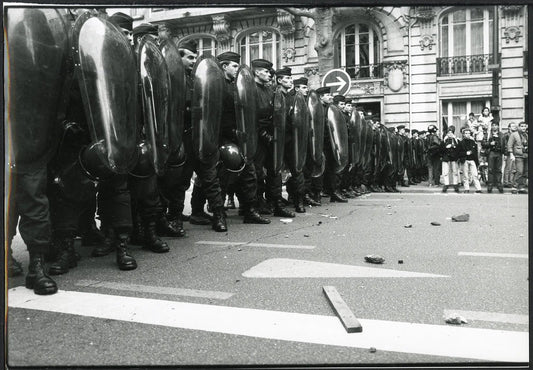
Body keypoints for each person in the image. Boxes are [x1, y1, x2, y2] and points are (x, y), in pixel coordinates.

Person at [216, 51, 270, 224]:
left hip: (243, 138)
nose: (237, 69)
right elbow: (216, 116)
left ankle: (249, 211)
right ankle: (219, 214)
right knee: (223, 178)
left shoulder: (236, 86)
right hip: (225, 138)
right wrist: (231, 132)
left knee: (249, 175)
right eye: (234, 66)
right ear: (224, 66)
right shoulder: (217, 86)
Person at [252, 59, 295, 217]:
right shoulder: (250, 89)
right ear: (257, 72)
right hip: (257, 137)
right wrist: (264, 135)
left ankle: (275, 202)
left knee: (275, 171)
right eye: (266, 71)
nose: (269, 74)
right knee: (256, 172)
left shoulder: (271, 91)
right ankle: (255, 204)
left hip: (273, 137)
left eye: (270, 72)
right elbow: (250, 116)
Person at [482, 120, 504, 193]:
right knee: (490, 169)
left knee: (499, 169)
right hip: (491, 153)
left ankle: (499, 184)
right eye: (493, 125)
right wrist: (490, 143)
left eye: (496, 125)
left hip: (499, 153)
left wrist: (505, 153)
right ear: (491, 126)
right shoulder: (488, 134)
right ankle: (490, 185)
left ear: (498, 126)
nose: (494, 126)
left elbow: (504, 144)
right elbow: (483, 143)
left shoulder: (501, 134)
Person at [458, 127, 482, 193]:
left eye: (469, 133)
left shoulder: (473, 142)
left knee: (475, 175)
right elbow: (458, 153)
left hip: (472, 160)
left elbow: (476, 152)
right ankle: (466, 188)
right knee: (465, 175)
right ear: (463, 134)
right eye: (466, 133)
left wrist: (477, 162)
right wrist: (466, 153)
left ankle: (478, 188)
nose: (467, 134)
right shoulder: (461, 143)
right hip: (465, 160)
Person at [507, 121, 528, 194]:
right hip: (518, 156)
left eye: (524, 126)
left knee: (525, 172)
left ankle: (521, 187)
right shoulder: (514, 134)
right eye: (522, 126)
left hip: (526, 155)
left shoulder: (526, 135)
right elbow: (509, 145)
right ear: (518, 127)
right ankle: (514, 186)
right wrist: (511, 154)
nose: (523, 128)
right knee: (519, 171)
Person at [441, 125, 460, 193]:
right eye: (448, 133)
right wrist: (445, 144)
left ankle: (455, 184)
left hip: (454, 157)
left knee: (455, 172)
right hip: (446, 157)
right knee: (445, 172)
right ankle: (446, 184)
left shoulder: (456, 139)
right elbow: (441, 149)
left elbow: (459, 148)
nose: (450, 134)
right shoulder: (444, 139)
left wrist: (454, 140)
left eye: (451, 132)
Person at [502, 122, 516, 188]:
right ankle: (506, 182)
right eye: (513, 126)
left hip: (514, 152)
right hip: (508, 153)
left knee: (513, 168)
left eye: (515, 126)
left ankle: (511, 182)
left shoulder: (516, 134)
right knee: (507, 168)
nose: (514, 127)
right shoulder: (506, 135)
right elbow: (505, 145)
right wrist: (505, 154)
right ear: (509, 127)